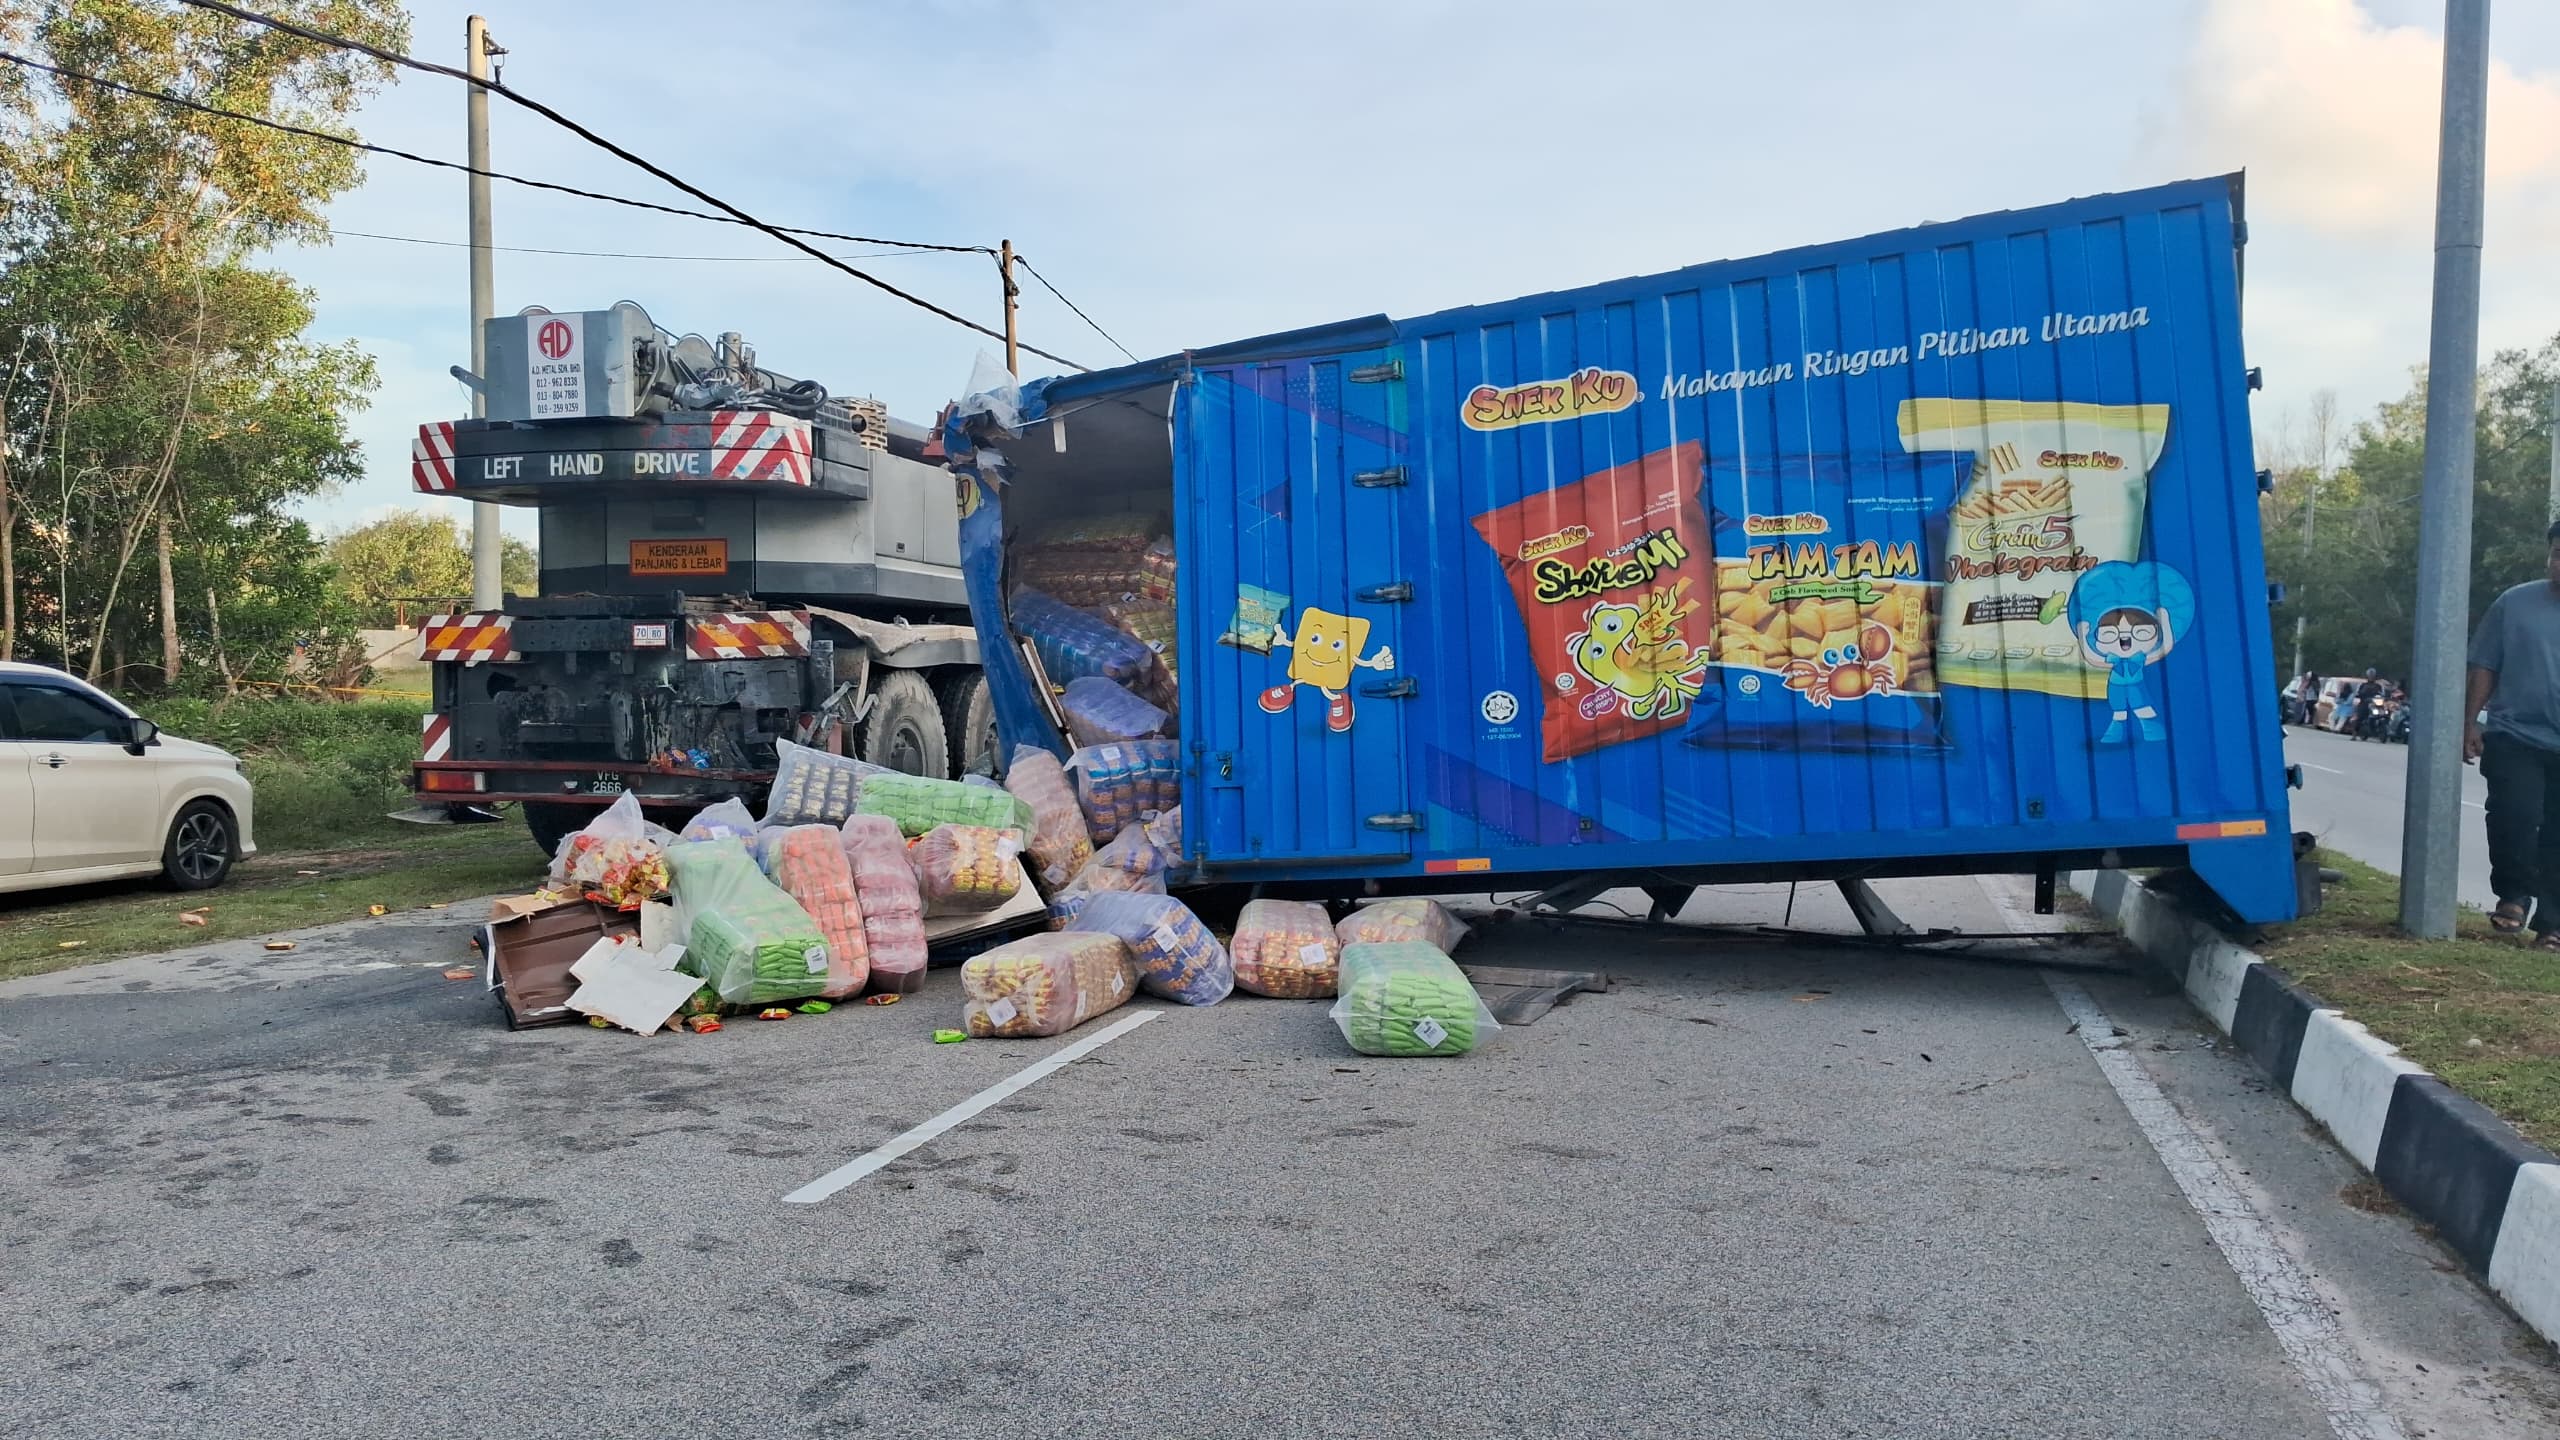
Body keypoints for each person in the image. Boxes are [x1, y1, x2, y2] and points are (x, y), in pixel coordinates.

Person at [2464, 519, 2560, 945]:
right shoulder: (2515, 603)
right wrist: (2469, 720)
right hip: (2515, 733)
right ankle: (2513, 897)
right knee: (2513, 817)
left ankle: (2553, 925)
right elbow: (2486, 663)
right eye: (2558, 554)